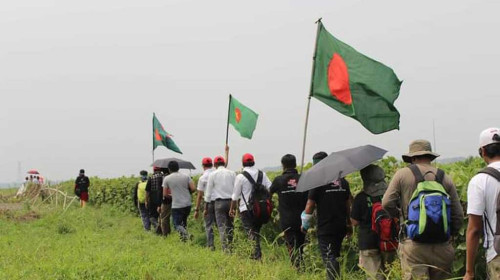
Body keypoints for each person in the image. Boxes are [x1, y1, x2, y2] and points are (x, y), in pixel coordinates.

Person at [382, 139, 463, 280]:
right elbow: (458, 215)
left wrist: (402, 218)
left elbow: (387, 203)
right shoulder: (445, 178)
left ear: (412, 157)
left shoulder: (402, 174)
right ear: (430, 157)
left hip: (414, 244)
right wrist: (450, 234)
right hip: (442, 245)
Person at [301, 151, 353, 280]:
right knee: (335, 254)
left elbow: (309, 206)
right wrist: (349, 223)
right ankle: (336, 277)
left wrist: (305, 224)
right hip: (340, 226)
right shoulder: (343, 181)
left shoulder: (317, 182)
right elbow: (348, 205)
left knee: (329, 256)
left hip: (326, 226)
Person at [464, 128, 500, 280]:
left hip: (497, 253)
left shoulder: (479, 181)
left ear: (483, 151)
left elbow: (474, 230)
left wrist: (469, 272)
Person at [351, 164, 396, 280]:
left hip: (368, 242)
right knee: (390, 274)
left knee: (374, 277)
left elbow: (354, 222)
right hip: (389, 239)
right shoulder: (390, 194)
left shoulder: (360, 197)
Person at [230, 153, 272, 260]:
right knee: (256, 231)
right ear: (253, 162)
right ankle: (256, 254)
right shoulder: (262, 174)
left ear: (243, 163)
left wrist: (232, 209)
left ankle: (256, 257)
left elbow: (235, 196)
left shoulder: (240, 176)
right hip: (260, 209)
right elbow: (270, 188)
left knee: (250, 232)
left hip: (246, 209)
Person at [270, 154, 308, 270]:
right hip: (302, 218)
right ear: (295, 164)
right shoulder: (303, 178)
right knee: (301, 243)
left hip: (286, 218)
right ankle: (300, 264)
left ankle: (296, 266)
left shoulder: (278, 180)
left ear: (283, 166)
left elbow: (269, 194)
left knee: (290, 243)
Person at [205, 155, 236, 252]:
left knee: (222, 227)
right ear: (224, 163)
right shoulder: (232, 173)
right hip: (231, 202)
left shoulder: (213, 175)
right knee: (231, 226)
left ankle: (225, 250)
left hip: (219, 204)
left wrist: (206, 208)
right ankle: (231, 247)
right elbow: (236, 189)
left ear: (214, 165)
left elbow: (208, 193)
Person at [162, 161, 196, 241]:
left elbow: (165, 194)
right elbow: (193, 188)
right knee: (183, 223)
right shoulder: (186, 176)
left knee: (176, 224)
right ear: (178, 168)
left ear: (169, 169)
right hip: (187, 203)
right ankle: (183, 240)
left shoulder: (167, 179)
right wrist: (187, 193)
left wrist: (173, 196)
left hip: (177, 205)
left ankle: (187, 235)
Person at [194, 157, 216, 250]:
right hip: (219, 201)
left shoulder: (202, 178)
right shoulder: (217, 174)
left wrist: (197, 209)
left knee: (209, 225)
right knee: (221, 225)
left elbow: (199, 195)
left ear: (203, 166)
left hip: (208, 203)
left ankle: (210, 245)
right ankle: (225, 245)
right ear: (212, 165)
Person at [146, 166, 164, 235]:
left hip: (153, 199)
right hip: (163, 199)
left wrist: (146, 200)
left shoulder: (151, 178)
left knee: (152, 216)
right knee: (162, 215)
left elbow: (147, 191)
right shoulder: (164, 177)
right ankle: (162, 229)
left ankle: (156, 225)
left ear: (154, 170)